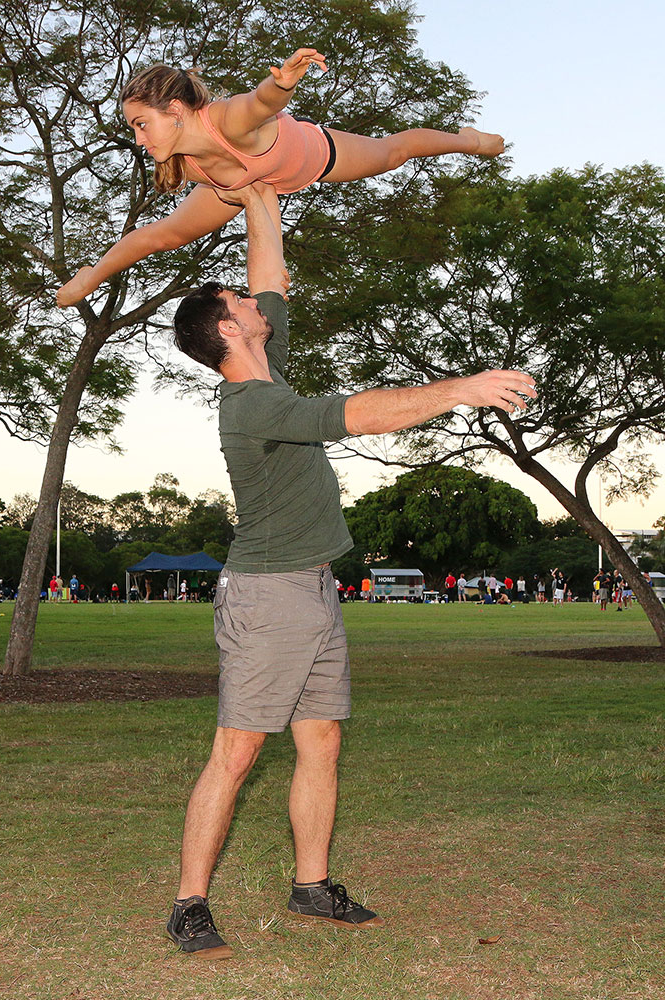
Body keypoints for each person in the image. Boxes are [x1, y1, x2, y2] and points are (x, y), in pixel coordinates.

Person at [165, 180, 536, 959]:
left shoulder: (268, 365)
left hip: (313, 587)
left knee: (323, 738)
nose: (257, 299)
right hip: (267, 597)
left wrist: (258, 190)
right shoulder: (251, 405)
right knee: (237, 752)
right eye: (242, 300)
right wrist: (461, 390)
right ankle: (189, 903)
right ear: (229, 329)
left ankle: (311, 885)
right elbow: (360, 413)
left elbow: (270, 269)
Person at [56, 51, 504, 306]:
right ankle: (91, 274)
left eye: (141, 124)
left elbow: (260, 103)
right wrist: (93, 276)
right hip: (236, 186)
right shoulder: (185, 160)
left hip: (311, 155)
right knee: (163, 236)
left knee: (393, 153)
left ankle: (465, 140)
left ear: (175, 112)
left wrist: (283, 82)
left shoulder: (226, 120)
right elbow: (152, 235)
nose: (138, 138)